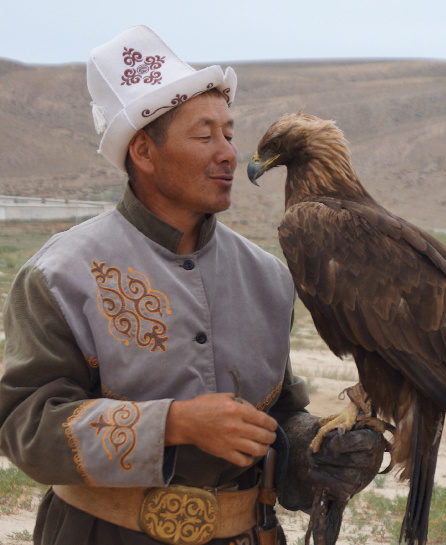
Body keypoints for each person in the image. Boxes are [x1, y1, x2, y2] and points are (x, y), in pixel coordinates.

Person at [0, 25, 385, 545]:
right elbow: (25, 427)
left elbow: (279, 417)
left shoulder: (267, 277)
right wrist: (175, 424)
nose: (228, 152)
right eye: (205, 136)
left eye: (229, 133)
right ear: (143, 152)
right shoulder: (61, 273)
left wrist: (315, 453)